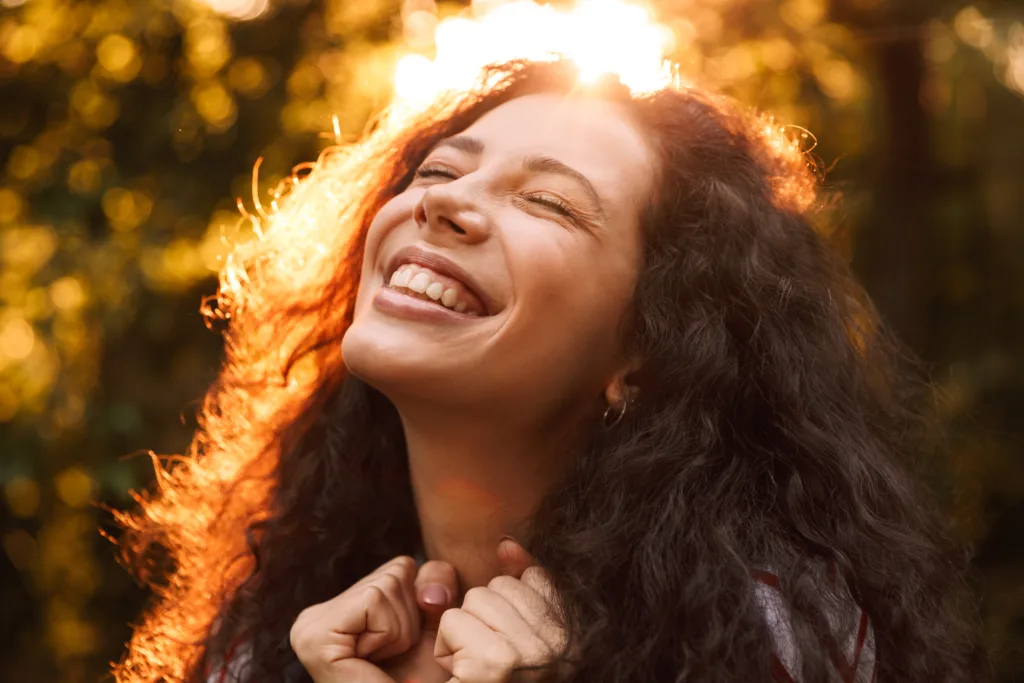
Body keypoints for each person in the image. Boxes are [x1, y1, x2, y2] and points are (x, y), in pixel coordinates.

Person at [115, 58, 986, 683]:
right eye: (440, 170)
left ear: (648, 348)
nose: (444, 202)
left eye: (548, 201)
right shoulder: (263, 639)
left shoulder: (769, 635)